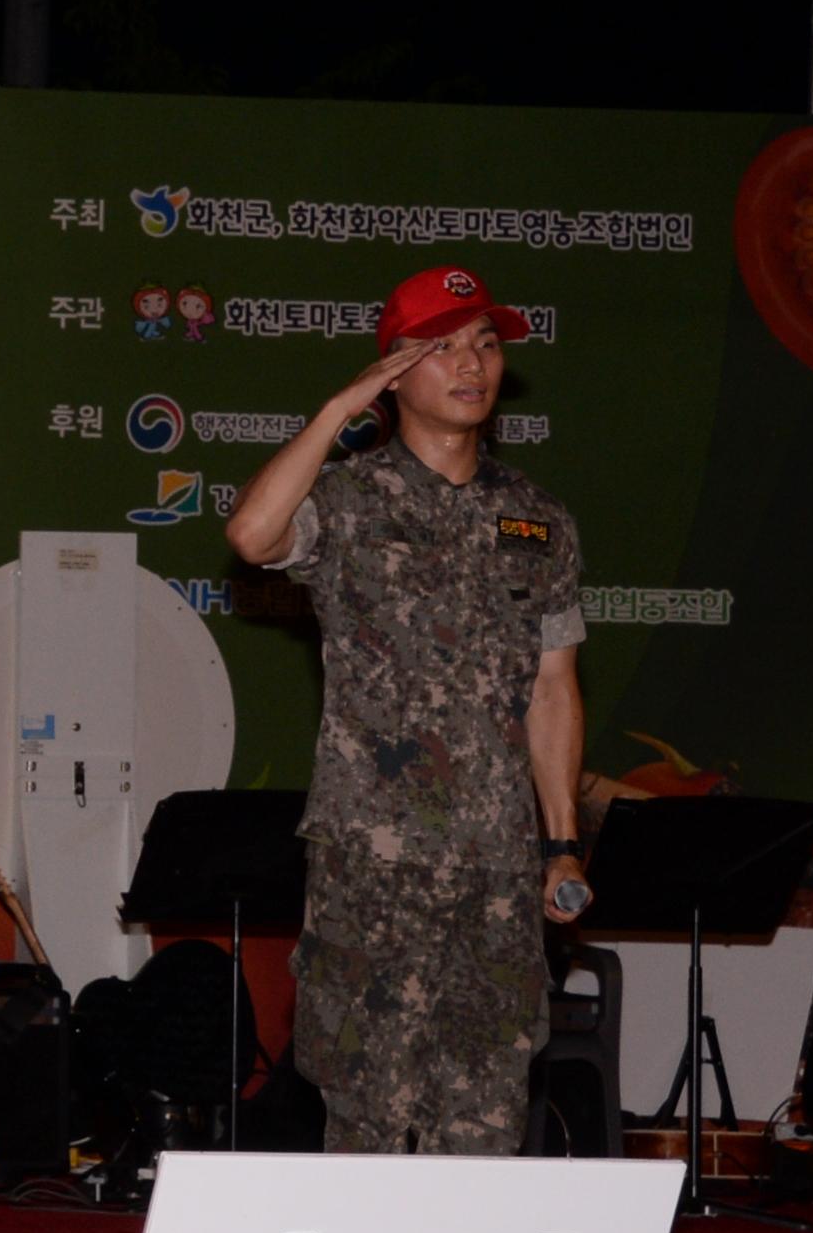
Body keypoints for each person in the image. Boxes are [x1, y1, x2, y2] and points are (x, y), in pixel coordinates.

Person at [224, 263, 588, 1154]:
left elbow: (553, 687)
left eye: (486, 344)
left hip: (496, 872)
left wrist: (562, 842)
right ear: (393, 370)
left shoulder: (536, 520)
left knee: (490, 1111)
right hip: (375, 863)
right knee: (371, 1110)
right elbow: (252, 534)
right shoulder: (349, 500)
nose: (473, 365)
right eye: (443, 347)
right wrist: (337, 413)